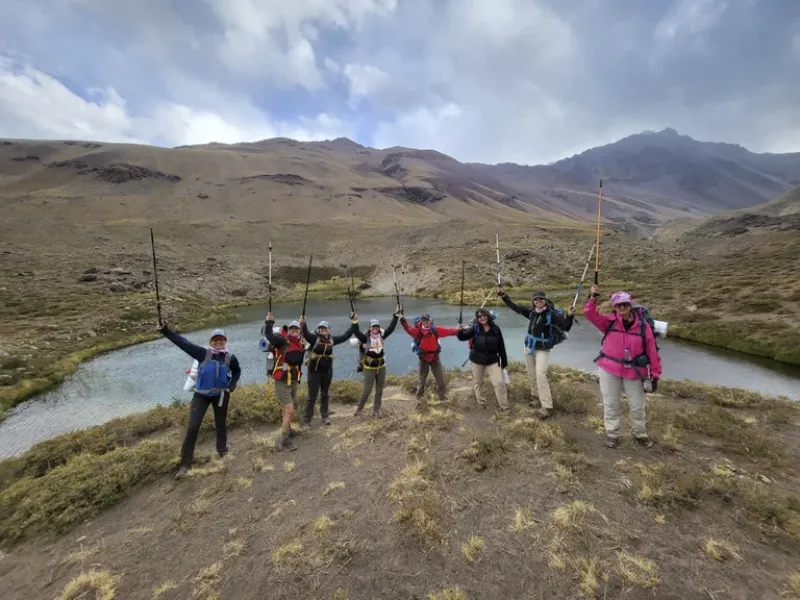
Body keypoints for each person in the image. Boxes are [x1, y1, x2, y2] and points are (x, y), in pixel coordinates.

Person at [159, 323, 241, 479]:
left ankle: (222, 450)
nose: (218, 342)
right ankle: (185, 464)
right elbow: (184, 344)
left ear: (225, 341)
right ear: (211, 342)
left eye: (221, 339)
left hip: (221, 395)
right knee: (193, 427)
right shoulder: (202, 354)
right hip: (201, 396)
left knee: (221, 424)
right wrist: (166, 331)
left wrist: (232, 384)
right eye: (215, 340)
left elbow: (237, 371)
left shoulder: (231, 358)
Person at [584, 285, 662, 448]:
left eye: (625, 304)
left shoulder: (643, 326)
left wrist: (655, 372)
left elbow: (651, 349)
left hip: (634, 372)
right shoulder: (609, 322)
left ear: (630, 305)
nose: (622, 307)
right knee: (611, 403)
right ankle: (612, 434)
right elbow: (589, 314)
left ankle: (640, 433)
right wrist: (593, 298)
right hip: (609, 369)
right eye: (619, 305)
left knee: (636, 405)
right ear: (615, 307)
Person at [497, 287, 572, 419]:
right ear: (533, 301)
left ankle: (546, 406)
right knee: (531, 374)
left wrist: (570, 316)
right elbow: (515, 307)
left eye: (541, 299)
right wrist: (504, 296)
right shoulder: (531, 312)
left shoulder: (552, 314)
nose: (538, 301)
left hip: (542, 349)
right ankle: (536, 397)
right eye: (536, 299)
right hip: (528, 347)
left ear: (546, 301)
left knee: (540, 374)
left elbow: (565, 327)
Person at [301, 313, 359, 427]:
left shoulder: (333, 340)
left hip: (327, 372)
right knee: (312, 396)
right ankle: (307, 419)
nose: (323, 330)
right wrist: (303, 323)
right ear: (318, 330)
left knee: (325, 394)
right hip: (314, 372)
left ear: (329, 330)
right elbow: (306, 334)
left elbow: (346, 335)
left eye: (325, 328)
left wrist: (354, 322)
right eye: (321, 328)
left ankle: (325, 416)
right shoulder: (314, 339)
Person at [398, 309, 462, 403]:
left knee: (441, 380)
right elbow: (408, 329)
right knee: (421, 381)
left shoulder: (436, 330)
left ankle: (442, 397)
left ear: (430, 321)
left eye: (427, 320)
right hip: (423, 359)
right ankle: (419, 399)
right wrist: (402, 320)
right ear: (422, 321)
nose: (426, 322)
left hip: (435, 359)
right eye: (424, 320)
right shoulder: (418, 332)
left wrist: (459, 330)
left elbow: (449, 331)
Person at [264, 313, 305, 451]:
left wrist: (303, 323)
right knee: (290, 411)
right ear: (288, 330)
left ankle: (289, 429)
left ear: (299, 331)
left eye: (297, 329)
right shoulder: (282, 341)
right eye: (292, 328)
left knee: (287, 409)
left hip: (293, 379)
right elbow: (270, 336)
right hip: (281, 381)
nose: (294, 330)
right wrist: (269, 323)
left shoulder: (300, 343)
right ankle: (283, 440)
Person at [457, 307, 510, 411]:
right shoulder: (475, 328)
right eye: (479, 316)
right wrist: (459, 330)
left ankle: (504, 407)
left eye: (484, 315)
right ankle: (481, 403)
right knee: (478, 382)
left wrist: (504, 361)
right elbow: (462, 337)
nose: (482, 318)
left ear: (488, 316)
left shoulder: (495, 329)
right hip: (477, 360)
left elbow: (501, 345)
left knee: (499, 383)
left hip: (493, 360)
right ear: (477, 318)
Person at [353, 312, 399, 417]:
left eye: (377, 326)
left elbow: (391, 328)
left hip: (381, 366)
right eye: (373, 326)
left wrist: (395, 316)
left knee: (379, 389)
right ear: (370, 328)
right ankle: (359, 407)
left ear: (379, 327)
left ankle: (376, 409)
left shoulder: (382, 335)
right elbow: (356, 332)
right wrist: (355, 321)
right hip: (369, 367)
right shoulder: (365, 338)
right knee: (367, 390)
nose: (375, 328)